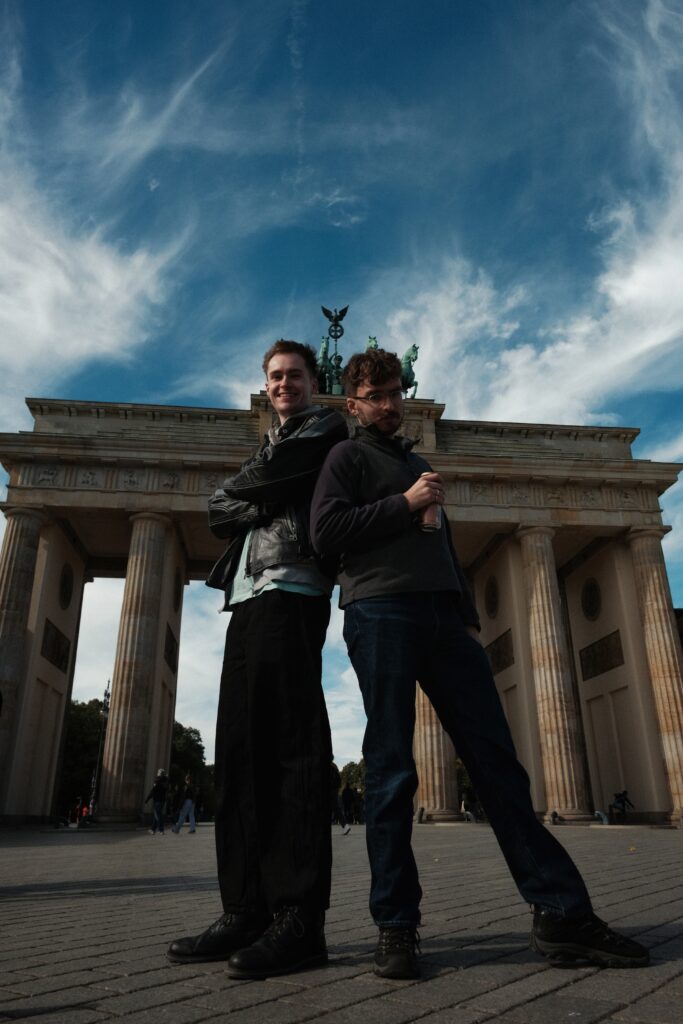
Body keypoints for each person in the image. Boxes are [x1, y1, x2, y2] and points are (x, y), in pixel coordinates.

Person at [310, 347, 650, 979]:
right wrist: (406, 503)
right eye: (375, 395)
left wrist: (467, 613)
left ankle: (561, 914)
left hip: (443, 619)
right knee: (390, 771)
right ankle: (396, 925)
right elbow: (326, 534)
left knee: (497, 763)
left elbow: (442, 543)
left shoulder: (418, 460)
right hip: (379, 611)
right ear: (352, 404)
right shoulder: (345, 458)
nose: (388, 404)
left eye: (394, 392)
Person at [168, 339, 347, 979]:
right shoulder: (271, 447)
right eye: (274, 376)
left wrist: (249, 491)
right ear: (264, 384)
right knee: (238, 754)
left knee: (290, 750)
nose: (283, 384)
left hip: (290, 586)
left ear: (312, 382)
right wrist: (254, 490)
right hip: (245, 595)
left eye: (294, 375)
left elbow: (249, 493)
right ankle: (245, 908)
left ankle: (299, 921)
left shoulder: (325, 426)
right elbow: (219, 513)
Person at [145, 769, 168, 835]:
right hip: (162, 800)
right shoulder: (165, 781)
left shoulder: (157, 781)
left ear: (159, 774)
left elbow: (153, 791)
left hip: (157, 800)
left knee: (158, 815)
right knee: (157, 815)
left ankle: (161, 829)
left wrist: (147, 799)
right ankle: (153, 829)